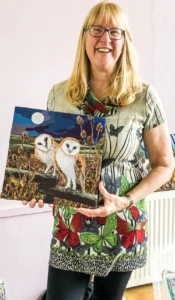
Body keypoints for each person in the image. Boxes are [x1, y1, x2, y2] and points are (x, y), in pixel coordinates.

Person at [23, 1, 174, 299]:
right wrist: (40, 187)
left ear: (125, 42)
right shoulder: (59, 94)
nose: (105, 39)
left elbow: (164, 163)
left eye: (115, 32)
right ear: (84, 37)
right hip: (71, 228)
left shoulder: (145, 97)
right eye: (97, 29)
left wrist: (126, 200)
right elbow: (52, 156)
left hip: (123, 226)